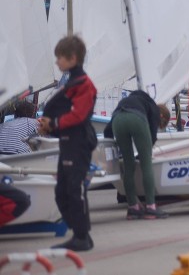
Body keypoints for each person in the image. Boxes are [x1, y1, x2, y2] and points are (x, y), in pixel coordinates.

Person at [38, 35, 97, 252]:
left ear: (72, 58)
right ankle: (80, 233)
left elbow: (79, 115)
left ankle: (81, 236)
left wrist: (53, 123)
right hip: (66, 142)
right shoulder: (72, 81)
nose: (57, 62)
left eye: (59, 58)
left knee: (75, 189)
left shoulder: (84, 84)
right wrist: (50, 125)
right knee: (61, 192)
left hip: (78, 142)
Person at [103, 91, 170, 220]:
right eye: (161, 124)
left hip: (118, 119)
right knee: (146, 165)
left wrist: (112, 154)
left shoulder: (129, 101)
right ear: (162, 115)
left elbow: (107, 131)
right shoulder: (154, 109)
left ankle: (133, 207)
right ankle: (151, 207)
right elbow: (152, 138)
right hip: (136, 119)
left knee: (129, 166)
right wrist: (142, 155)